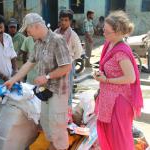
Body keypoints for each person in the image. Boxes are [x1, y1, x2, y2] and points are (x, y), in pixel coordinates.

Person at [4, 13, 72, 150]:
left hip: (58, 91)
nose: (28, 34)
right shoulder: (38, 43)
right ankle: (54, 146)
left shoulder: (57, 40)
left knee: (57, 126)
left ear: (36, 26)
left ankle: (60, 147)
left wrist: (47, 77)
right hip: (45, 92)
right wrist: (12, 80)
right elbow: (29, 64)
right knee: (46, 123)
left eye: (28, 31)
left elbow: (67, 67)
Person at [92, 11, 143, 150]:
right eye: (104, 30)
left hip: (119, 103)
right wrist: (100, 75)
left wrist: (106, 80)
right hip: (108, 100)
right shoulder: (110, 44)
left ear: (118, 32)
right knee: (109, 138)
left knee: (119, 141)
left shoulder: (121, 51)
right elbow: (109, 69)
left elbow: (131, 78)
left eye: (107, 32)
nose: (104, 34)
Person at [55, 9, 83, 122]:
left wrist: (70, 61)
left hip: (68, 66)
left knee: (67, 90)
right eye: (61, 20)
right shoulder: (56, 32)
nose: (63, 22)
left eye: (66, 20)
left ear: (70, 21)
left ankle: (68, 118)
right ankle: (57, 113)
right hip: (56, 66)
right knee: (56, 89)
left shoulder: (73, 35)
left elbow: (78, 53)